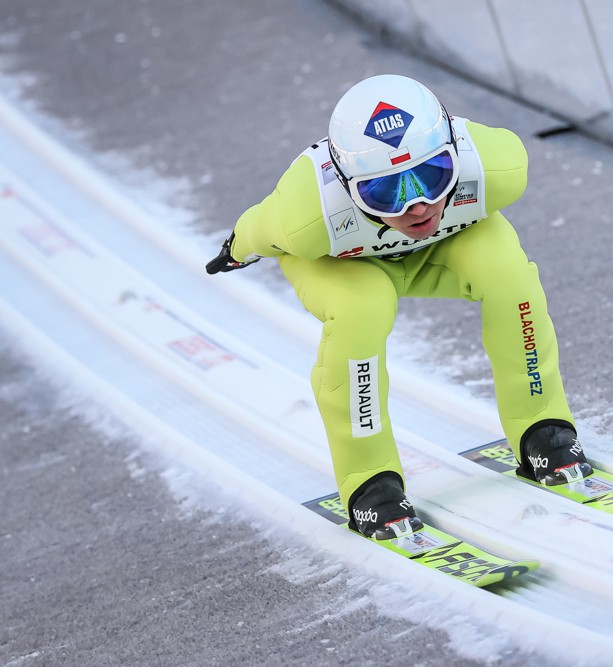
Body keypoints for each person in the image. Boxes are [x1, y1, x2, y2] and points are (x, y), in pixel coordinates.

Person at [207, 74, 591, 540]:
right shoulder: (307, 217)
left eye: (432, 176)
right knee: (362, 308)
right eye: (386, 192)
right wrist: (235, 251)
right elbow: (257, 228)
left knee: (509, 275)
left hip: (445, 248)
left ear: (456, 157)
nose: (418, 207)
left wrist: (395, 198)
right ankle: (369, 482)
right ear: (348, 187)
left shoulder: (497, 166)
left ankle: (542, 427)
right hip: (347, 266)